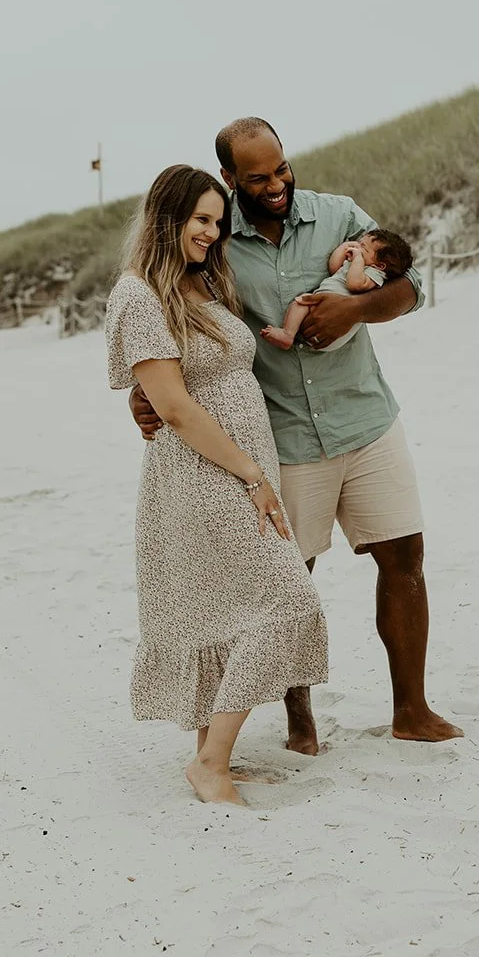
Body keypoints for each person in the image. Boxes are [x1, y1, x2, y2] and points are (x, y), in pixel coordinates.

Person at [130, 118, 460, 751]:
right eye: (258, 177)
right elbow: (177, 311)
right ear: (230, 178)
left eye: (282, 168)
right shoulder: (218, 234)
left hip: (365, 419)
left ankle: (411, 711)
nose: (277, 184)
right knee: (290, 577)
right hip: (281, 436)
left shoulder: (338, 217)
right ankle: (299, 718)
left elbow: (409, 288)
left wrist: (355, 308)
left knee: (404, 559)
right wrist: (148, 393)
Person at [106, 165, 329, 806]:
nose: (210, 232)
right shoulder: (138, 295)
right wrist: (252, 474)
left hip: (239, 466)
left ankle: (212, 758)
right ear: (166, 218)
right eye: (199, 220)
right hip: (203, 477)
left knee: (224, 609)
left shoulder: (198, 283)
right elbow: (172, 406)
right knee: (288, 600)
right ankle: (211, 763)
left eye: (216, 220)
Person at [260, 229, 414, 352]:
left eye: (363, 248)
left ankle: (288, 334)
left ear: (380, 265)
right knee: (300, 302)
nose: (357, 248)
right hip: (319, 305)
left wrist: (358, 259)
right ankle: (288, 333)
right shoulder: (356, 264)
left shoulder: (374, 274)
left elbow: (354, 284)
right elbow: (334, 268)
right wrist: (343, 248)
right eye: (359, 243)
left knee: (303, 301)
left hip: (336, 326)